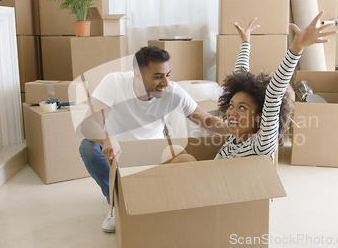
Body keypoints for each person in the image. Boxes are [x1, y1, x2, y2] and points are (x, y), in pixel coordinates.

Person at [76, 45, 229, 233]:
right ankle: (116, 204)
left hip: (154, 152)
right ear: (138, 75)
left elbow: (207, 120)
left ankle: (169, 204)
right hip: (120, 154)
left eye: (168, 75)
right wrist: (107, 138)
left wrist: (242, 128)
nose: (165, 82)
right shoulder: (114, 83)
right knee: (88, 148)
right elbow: (87, 125)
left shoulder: (172, 91)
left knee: (184, 158)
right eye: (158, 76)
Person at [215, 11, 336, 159]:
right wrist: (245, 43)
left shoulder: (261, 144)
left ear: (259, 117)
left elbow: (274, 92)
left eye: (242, 108)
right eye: (231, 105)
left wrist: (297, 48)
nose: (231, 113)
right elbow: (239, 76)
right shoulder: (235, 138)